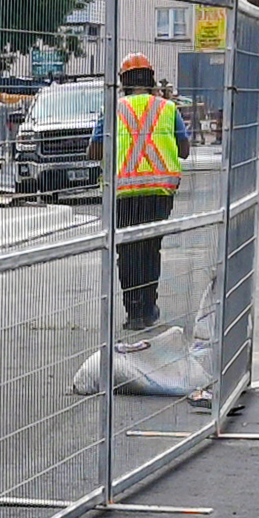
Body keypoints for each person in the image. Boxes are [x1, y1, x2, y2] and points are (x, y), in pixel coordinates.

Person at [109, 55, 185, 330]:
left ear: (123, 82)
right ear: (151, 79)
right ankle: (150, 309)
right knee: (151, 250)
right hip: (159, 193)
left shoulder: (113, 110)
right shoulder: (167, 108)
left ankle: (134, 312)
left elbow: (94, 151)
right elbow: (185, 149)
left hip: (125, 193)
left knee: (128, 253)